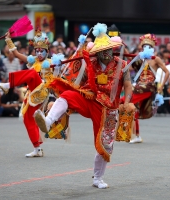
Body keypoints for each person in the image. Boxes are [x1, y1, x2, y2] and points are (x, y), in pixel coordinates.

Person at [33, 23, 133, 189]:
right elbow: (76, 80)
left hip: (108, 108)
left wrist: (127, 102)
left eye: (108, 50)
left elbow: (128, 86)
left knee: (104, 144)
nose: (105, 53)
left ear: (112, 49)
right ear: (97, 52)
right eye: (102, 51)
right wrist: (59, 70)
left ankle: (98, 178)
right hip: (90, 99)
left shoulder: (122, 65)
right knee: (68, 95)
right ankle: (48, 121)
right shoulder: (89, 62)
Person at [0, 28, 53, 157]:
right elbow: (16, 53)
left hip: (42, 90)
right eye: (37, 51)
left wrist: (58, 65)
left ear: (47, 51)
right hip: (31, 93)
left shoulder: (50, 63)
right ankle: (37, 149)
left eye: (42, 51)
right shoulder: (32, 61)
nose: (39, 53)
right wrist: (8, 39)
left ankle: (8, 84)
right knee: (28, 120)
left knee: (32, 73)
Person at [123, 33, 170, 144]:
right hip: (139, 86)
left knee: (127, 100)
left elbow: (167, 72)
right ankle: (136, 135)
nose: (146, 48)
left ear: (153, 48)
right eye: (144, 46)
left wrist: (161, 86)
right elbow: (130, 60)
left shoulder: (156, 59)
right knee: (133, 108)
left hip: (149, 87)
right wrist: (123, 47)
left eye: (149, 46)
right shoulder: (141, 59)